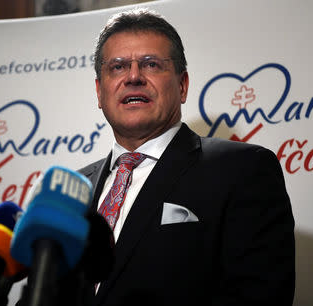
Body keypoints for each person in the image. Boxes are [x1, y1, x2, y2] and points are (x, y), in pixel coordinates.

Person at [79, 8, 295, 306]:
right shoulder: (71, 191)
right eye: (116, 67)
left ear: (182, 86)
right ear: (99, 92)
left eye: (151, 64)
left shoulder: (244, 170)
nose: (132, 77)